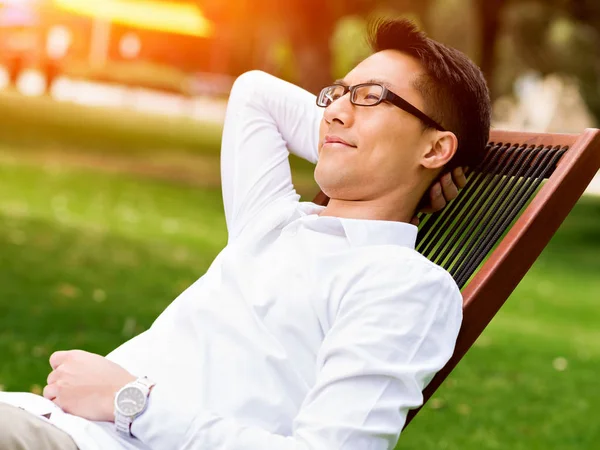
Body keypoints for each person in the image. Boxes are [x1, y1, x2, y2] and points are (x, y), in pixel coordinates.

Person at [0, 18, 490, 450]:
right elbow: (256, 92)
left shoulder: (403, 284)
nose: (336, 112)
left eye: (372, 97)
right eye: (337, 94)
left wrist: (131, 402)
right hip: (41, 420)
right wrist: (359, 146)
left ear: (437, 148)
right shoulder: (273, 222)